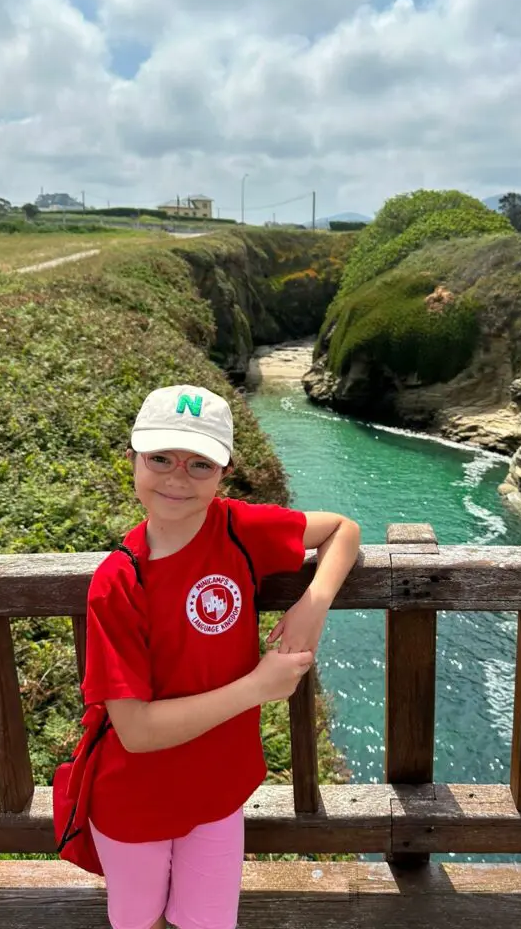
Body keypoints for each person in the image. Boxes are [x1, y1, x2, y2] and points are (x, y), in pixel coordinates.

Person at [81, 384, 361, 929]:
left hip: (218, 790)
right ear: (133, 460)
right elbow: (134, 730)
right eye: (160, 458)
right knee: (137, 922)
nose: (176, 477)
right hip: (134, 797)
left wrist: (314, 603)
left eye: (199, 464)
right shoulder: (117, 581)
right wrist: (258, 687)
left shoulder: (235, 528)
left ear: (224, 472)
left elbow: (342, 530)